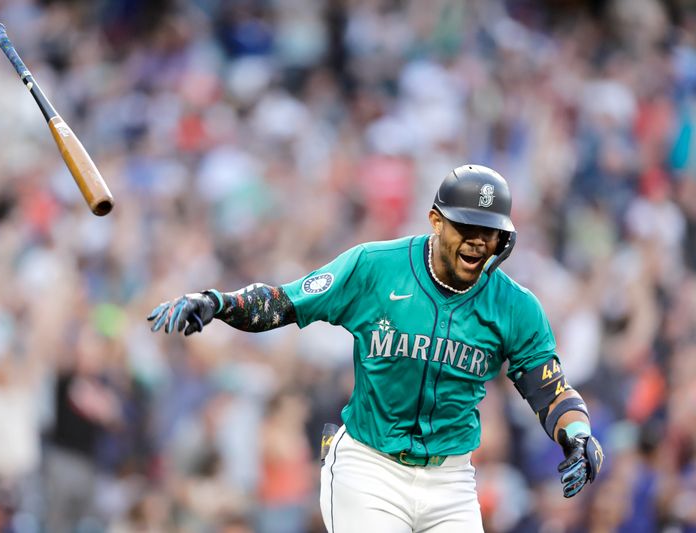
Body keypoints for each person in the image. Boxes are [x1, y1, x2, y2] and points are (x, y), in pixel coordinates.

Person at [148, 164, 605, 532]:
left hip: (451, 478)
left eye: (489, 230)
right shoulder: (374, 267)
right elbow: (285, 302)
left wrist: (578, 434)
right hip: (369, 467)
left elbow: (550, 389)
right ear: (435, 221)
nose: (477, 240)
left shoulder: (515, 305)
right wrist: (217, 302)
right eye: (466, 225)